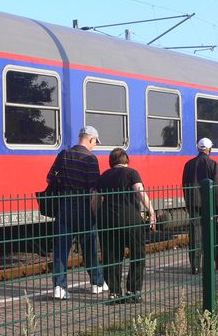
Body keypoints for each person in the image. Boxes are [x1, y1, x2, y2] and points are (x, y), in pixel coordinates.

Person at [47, 125, 106, 300]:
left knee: (61, 250)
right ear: (90, 139)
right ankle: (97, 282)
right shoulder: (91, 159)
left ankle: (59, 287)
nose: (94, 146)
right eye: (95, 142)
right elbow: (94, 190)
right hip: (84, 207)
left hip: (64, 206)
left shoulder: (63, 155)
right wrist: (95, 213)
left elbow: (50, 177)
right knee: (89, 248)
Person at [93, 148, 156, 303]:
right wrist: (151, 211)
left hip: (108, 221)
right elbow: (140, 191)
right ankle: (133, 291)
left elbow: (95, 199)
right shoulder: (131, 173)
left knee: (111, 257)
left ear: (111, 162)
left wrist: (96, 216)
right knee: (137, 255)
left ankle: (114, 294)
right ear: (126, 160)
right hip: (131, 220)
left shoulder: (103, 176)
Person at [181, 137, 218, 274]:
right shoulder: (213, 165)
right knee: (214, 234)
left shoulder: (188, 165)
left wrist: (188, 204)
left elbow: (185, 186)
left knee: (195, 236)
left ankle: (195, 267)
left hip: (194, 204)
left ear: (198, 148)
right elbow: (217, 189)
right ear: (209, 149)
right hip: (210, 205)